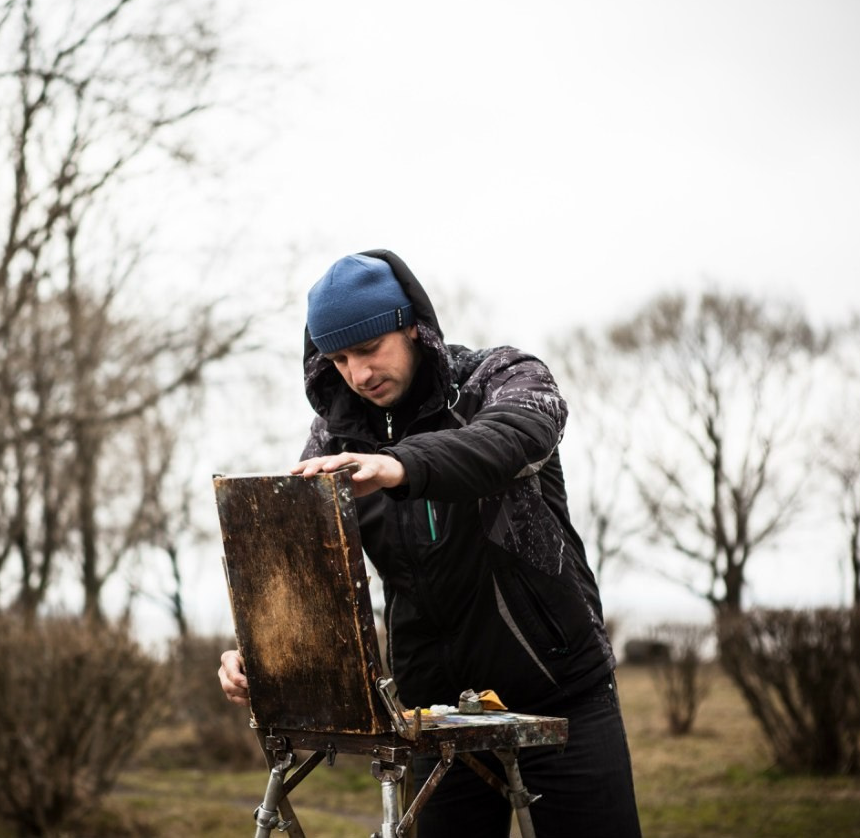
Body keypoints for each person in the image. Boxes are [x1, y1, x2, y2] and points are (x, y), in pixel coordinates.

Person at [218, 250, 643, 837]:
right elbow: (312, 578)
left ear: (412, 326)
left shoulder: (501, 377)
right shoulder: (333, 437)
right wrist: (263, 653)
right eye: (339, 359)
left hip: (561, 694)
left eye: (370, 349)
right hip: (435, 718)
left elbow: (513, 438)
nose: (358, 374)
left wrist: (397, 466)